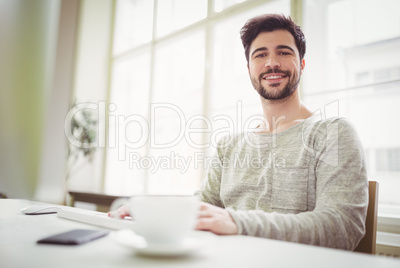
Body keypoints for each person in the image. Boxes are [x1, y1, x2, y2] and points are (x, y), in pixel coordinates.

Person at [109, 14, 368, 251]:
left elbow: (342, 228)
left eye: (284, 52)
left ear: (301, 63)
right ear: (249, 69)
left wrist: (237, 221)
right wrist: (153, 212)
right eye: (260, 55)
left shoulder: (333, 133)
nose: (272, 63)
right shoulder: (228, 146)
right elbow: (201, 206)